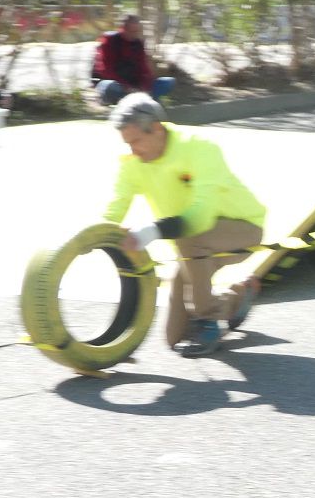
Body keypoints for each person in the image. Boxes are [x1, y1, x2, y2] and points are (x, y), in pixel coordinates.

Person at [103, 94, 266, 358]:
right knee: (175, 337)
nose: (132, 151)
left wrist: (149, 233)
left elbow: (200, 218)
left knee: (189, 239)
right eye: (127, 143)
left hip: (242, 229)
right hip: (193, 245)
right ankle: (238, 297)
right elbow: (116, 206)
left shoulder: (200, 148)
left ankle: (208, 319)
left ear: (156, 128)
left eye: (136, 141)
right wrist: (96, 237)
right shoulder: (132, 163)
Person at [92, 14, 176, 106]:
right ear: (122, 28)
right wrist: (126, 87)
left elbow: (144, 69)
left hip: (135, 87)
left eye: (136, 31)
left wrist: (144, 88)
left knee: (168, 82)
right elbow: (106, 70)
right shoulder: (110, 41)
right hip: (117, 85)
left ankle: (147, 101)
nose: (133, 34)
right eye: (130, 31)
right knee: (110, 86)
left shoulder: (138, 44)